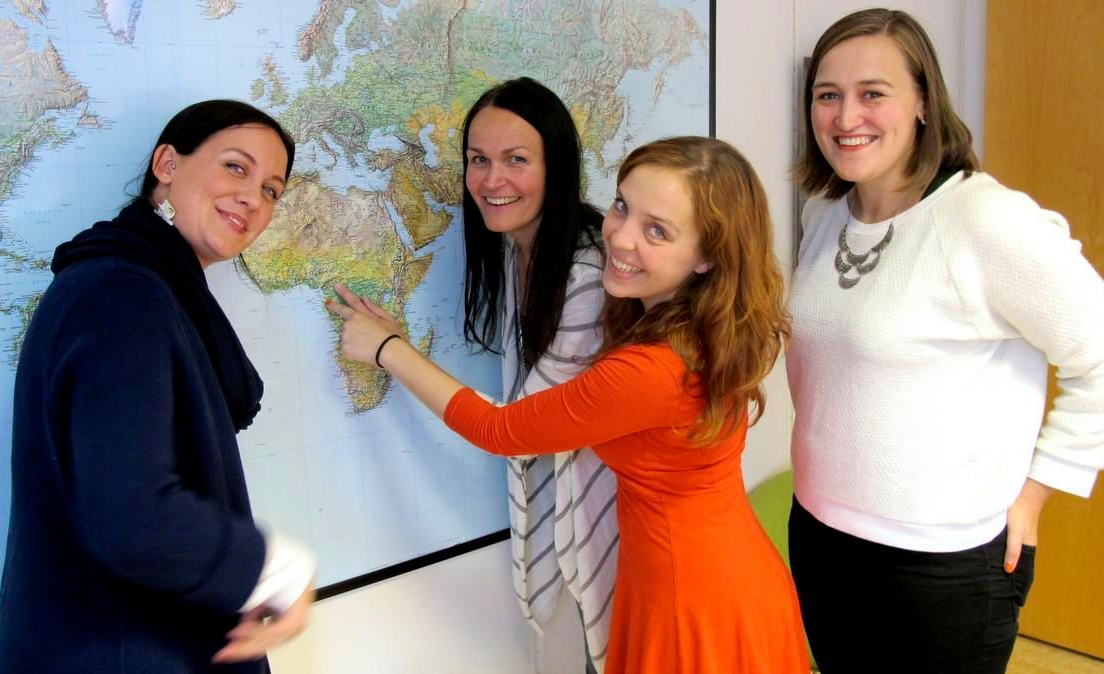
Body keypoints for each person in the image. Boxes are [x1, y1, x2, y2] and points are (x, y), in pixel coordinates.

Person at [330, 136, 809, 674]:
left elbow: (499, 430)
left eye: (657, 230)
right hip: (720, 576)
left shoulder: (651, 371)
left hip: (690, 601)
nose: (620, 237)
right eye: (622, 206)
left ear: (707, 257)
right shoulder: (707, 328)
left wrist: (387, 349)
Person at [787, 8, 1104, 673]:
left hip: (943, 567)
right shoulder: (824, 215)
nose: (846, 116)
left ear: (922, 103)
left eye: (872, 93)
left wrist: (1038, 490)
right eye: (828, 95)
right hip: (821, 536)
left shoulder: (981, 217)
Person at [0, 100, 317, 673]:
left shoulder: (150, 290)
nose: (253, 198)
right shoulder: (120, 295)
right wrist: (276, 569)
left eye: (271, 189)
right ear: (167, 164)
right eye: (235, 167)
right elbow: (132, 513)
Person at [458, 76, 617, 673]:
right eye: (478, 159)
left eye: (516, 160)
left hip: (631, 525)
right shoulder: (515, 249)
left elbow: (523, 428)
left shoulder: (587, 267)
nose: (491, 180)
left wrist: (389, 349)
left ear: (557, 167)